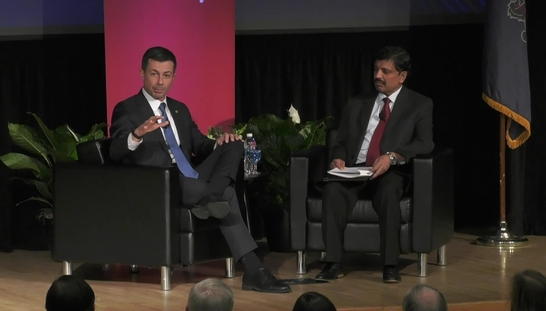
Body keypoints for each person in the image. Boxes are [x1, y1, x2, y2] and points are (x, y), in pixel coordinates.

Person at [109, 46, 290, 294]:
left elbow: (200, 145)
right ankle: (255, 271)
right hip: (161, 182)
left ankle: (209, 199)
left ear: (174, 76)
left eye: (166, 75)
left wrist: (220, 142)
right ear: (142, 73)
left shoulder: (179, 109)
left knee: (235, 145)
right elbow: (115, 151)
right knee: (227, 194)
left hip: (191, 176)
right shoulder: (127, 108)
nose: (160, 82)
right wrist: (137, 134)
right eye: (154, 74)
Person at [315, 46, 434, 283]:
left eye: (385, 71)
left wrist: (392, 156)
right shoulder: (358, 102)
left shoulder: (419, 104)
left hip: (391, 171)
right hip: (355, 169)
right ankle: (332, 263)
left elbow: (425, 143)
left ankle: (390, 265)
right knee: (332, 190)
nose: (377, 76)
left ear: (402, 76)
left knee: (389, 192)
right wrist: (338, 156)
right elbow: (341, 141)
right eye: (376, 69)